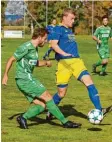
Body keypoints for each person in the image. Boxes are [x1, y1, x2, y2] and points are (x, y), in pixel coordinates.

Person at [2, 28, 81, 129]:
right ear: (39, 37)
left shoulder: (34, 48)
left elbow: (34, 63)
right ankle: (65, 122)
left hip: (25, 79)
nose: (46, 41)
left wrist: (46, 63)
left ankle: (23, 118)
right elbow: (11, 59)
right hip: (24, 79)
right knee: (48, 96)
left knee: (42, 105)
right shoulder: (25, 47)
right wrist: (5, 75)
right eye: (45, 38)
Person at [46, 8, 112, 120]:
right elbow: (53, 45)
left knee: (89, 82)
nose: (73, 21)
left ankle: (99, 109)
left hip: (76, 62)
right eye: (71, 19)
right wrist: (64, 54)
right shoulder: (58, 29)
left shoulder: (70, 30)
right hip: (64, 64)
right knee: (61, 93)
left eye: (74, 19)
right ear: (64, 17)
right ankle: (50, 110)